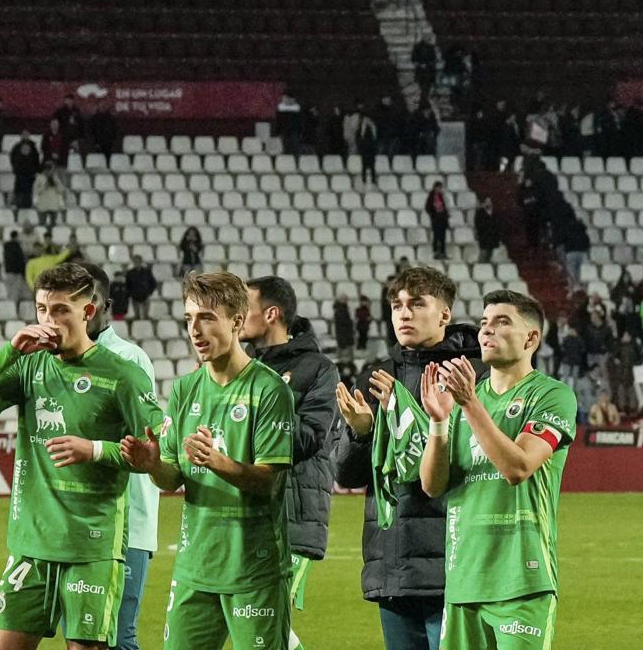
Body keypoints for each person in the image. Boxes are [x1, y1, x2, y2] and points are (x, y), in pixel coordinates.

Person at [0, 262, 163, 650]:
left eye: (62, 310)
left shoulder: (122, 372)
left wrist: (97, 449)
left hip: (91, 548)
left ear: (87, 311)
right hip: (30, 544)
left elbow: (153, 449)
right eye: (43, 309)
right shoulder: (30, 365)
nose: (50, 320)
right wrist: (9, 352)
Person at [121, 271, 295, 650]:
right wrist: (153, 465)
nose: (195, 330)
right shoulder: (185, 389)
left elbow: (269, 480)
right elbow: (172, 479)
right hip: (195, 569)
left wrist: (218, 462)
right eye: (189, 319)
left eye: (206, 318)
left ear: (236, 321)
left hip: (254, 569)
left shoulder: (269, 389)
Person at [334, 266, 487, 650]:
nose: (404, 313)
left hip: (455, 561)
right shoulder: (378, 377)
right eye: (397, 305)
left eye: (417, 304)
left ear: (444, 315)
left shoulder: (475, 378)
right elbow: (346, 475)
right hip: (393, 563)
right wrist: (362, 433)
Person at [420, 291, 576, 650]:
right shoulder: (461, 401)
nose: (487, 331)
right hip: (464, 578)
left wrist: (469, 405)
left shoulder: (551, 395)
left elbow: (518, 467)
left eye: (502, 322)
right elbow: (432, 484)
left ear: (531, 338)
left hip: (522, 580)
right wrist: (440, 422)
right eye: (484, 323)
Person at [241, 277, 339, 650]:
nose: (236, 315)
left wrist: (262, 399)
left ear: (271, 314)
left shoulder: (317, 369)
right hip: (244, 519)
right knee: (257, 628)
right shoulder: (241, 367)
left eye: (243, 307)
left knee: (265, 628)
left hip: (292, 519)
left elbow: (310, 438)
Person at [82, 262, 161, 650]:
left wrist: (92, 449)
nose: (83, 310)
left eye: (89, 300)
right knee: (85, 637)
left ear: (106, 304)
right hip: (73, 525)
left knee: (118, 636)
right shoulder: (55, 359)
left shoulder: (130, 361)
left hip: (126, 523)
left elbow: (147, 442)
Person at [9, 132, 41, 212]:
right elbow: (13, 159)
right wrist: (16, 169)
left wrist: (35, 170)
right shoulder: (16, 147)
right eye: (24, 135)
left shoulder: (33, 148)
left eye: (27, 135)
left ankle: (27, 206)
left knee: (28, 192)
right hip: (20, 174)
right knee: (19, 191)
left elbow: (36, 160)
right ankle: (18, 206)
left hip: (30, 174)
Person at [124, 255, 157, 320]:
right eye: (135, 261)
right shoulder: (130, 273)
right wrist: (130, 293)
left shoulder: (147, 272)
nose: (137, 263)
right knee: (136, 317)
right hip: (134, 296)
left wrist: (149, 292)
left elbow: (153, 283)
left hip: (145, 295)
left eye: (138, 261)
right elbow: (127, 285)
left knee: (146, 316)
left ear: (141, 262)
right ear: (133, 262)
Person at [424, 181, 450, 260]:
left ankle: (443, 252)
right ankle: (436, 252)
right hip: (436, 219)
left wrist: (446, 214)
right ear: (435, 187)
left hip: (442, 218)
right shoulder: (431, 196)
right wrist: (433, 214)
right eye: (439, 187)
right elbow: (427, 207)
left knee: (443, 237)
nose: (440, 189)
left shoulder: (441, 196)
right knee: (436, 236)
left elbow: (444, 206)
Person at [473, 198, 500, 264]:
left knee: (490, 253)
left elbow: (497, 224)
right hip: (484, 236)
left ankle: (487, 265)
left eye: (489, 201)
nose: (488, 203)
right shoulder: (480, 212)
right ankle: (481, 267)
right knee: (484, 252)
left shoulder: (494, 212)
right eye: (486, 202)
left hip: (493, 236)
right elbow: (477, 224)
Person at [358, 113, 379, 186]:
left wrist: (373, 126)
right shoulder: (361, 127)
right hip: (364, 150)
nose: (367, 121)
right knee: (364, 166)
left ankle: (373, 181)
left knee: (372, 166)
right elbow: (361, 137)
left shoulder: (373, 127)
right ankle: (363, 181)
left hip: (371, 150)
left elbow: (375, 138)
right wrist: (363, 127)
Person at [334, 295, 356, 363]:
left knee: (345, 352)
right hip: (344, 334)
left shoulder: (342, 309)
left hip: (344, 334)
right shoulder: (341, 310)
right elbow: (344, 323)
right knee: (346, 353)